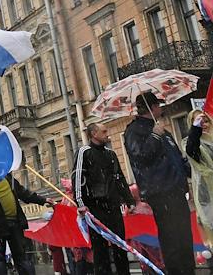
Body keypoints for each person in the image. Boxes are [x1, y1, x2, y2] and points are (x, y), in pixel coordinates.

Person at [123, 92, 194, 275]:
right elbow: (141, 157)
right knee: (171, 237)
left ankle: (188, 270)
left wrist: (192, 172)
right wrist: (154, 135)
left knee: (184, 236)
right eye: (159, 105)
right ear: (152, 107)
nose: (161, 109)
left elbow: (176, 158)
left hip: (176, 189)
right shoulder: (134, 131)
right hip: (160, 191)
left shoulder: (162, 130)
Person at [73, 122, 133, 275]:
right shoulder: (84, 152)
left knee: (120, 246)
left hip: (113, 206)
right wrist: (80, 203)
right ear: (94, 134)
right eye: (104, 131)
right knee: (100, 250)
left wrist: (129, 200)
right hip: (95, 207)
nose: (108, 134)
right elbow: (78, 178)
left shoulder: (111, 154)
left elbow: (119, 178)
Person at [0, 176, 48, 275]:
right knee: (0, 258)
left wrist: (43, 200)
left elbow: (22, 192)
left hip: (14, 223)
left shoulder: (5, 175)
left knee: (21, 257)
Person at [186, 109, 213, 242]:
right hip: (207, 196)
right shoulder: (191, 143)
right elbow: (192, 151)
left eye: (206, 121)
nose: (204, 124)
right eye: (199, 122)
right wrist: (196, 130)